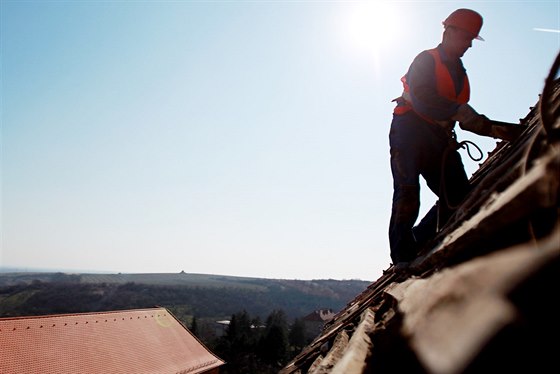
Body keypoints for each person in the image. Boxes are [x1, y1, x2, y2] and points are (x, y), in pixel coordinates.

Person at [388, 9, 520, 266]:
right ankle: (402, 258)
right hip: (410, 130)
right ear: (448, 32)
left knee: (458, 194)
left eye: (473, 39)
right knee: (407, 191)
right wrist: (458, 111)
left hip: (438, 136)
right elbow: (425, 99)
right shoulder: (426, 60)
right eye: (467, 37)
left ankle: (419, 238)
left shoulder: (460, 73)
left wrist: (492, 128)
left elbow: (462, 116)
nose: (470, 44)